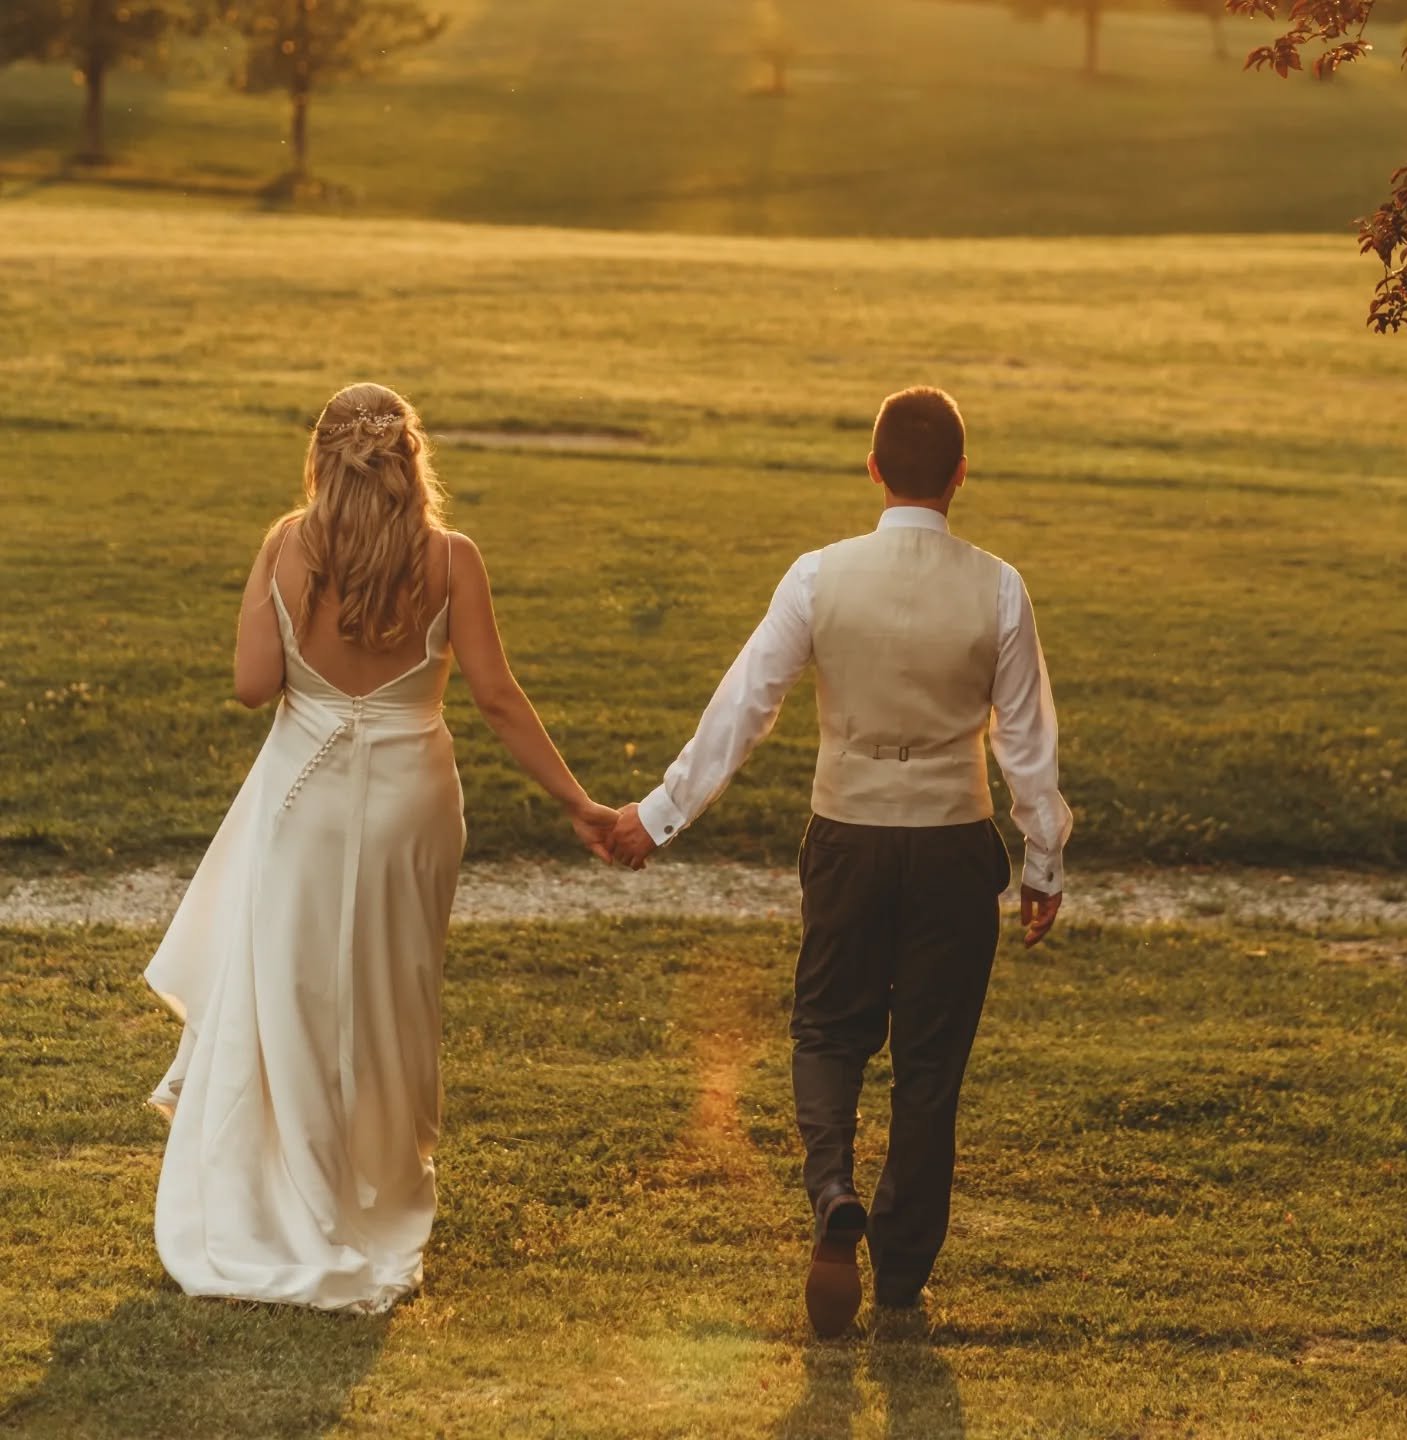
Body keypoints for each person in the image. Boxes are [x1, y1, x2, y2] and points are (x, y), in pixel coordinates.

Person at [144, 382, 616, 1314]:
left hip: (305, 803)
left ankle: (294, 1193)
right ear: (411, 462)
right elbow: (496, 697)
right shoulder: (452, 560)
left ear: (321, 459)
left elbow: (251, 685)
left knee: (296, 994)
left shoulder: (289, 546)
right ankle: (381, 1186)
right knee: (393, 997)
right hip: (413, 803)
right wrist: (579, 803)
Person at [610, 386, 1071, 1337]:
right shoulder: (1000, 586)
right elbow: (1027, 743)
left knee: (826, 1030)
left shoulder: (818, 577)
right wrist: (1044, 861)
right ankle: (900, 1276)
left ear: (871, 471)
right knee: (929, 1066)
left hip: (848, 835)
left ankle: (831, 1193)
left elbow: (747, 705)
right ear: (960, 476)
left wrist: (659, 817)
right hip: (953, 840)